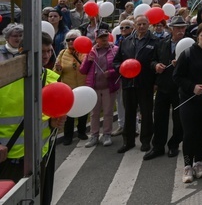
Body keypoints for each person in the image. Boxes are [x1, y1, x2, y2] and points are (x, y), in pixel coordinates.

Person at [0, 32, 65, 205]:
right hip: (8, 161)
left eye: (48, 51)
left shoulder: (53, 79)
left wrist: (54, 123)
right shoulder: (5, 79)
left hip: (40, 158)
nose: (45, 56)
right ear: (22, 51)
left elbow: (50, 117)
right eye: (40, 51)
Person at [173, 22, 202, 183]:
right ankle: (187, 166)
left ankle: (198, 163)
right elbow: (177, 76)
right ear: (197, 37)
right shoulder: (188, 53)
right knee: (189, 133)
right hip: (189, 99)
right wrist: (192, 87)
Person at [113, 14, 159, 154]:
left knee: (146, 113)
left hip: (145, 83)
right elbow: (116, 61)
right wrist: (121, 68)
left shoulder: (156, 41)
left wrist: (155, 81)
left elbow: (157, 61)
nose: (141, 27)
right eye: (138, 24)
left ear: (148, 24)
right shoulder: (126, 41)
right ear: (135, 26)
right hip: (128, 83)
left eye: (144, 24)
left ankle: (145, 141)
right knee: (129, 113)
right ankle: (128, 141)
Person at [147, 16, 188, 160]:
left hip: (179, 89)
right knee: (159, 118)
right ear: (171, 29)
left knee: (178, 120)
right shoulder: (161, 43)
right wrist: (155, 66)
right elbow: (152, 60)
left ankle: (174, 144)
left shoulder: (189, 45)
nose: (181, 31)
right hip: (163, 86)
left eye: (183, 27)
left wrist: (182, 65)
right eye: (178, 28)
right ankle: (158, 146)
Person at [80, 28, 119, 148]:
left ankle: (107, 134)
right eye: (101, 37)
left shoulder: (115, 50)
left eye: (106, 36)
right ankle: (94, 135)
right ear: (96, 39)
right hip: (94, 87)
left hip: (108, 86)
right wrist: (88, 60)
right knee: (94, 113)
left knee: (108, 112)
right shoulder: (90, 51)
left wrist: (111, 72)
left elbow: (119, 67)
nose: (104, 39)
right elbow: (83, 70)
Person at [54, 29, 89, 145]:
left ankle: (81, 132)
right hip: (68, 88)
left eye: (73, 39)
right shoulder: (62, 53)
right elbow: (55, 74)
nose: (70, 41)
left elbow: (89, 68)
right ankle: (68, 135)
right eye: (68, 39)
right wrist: (58, 68)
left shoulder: (85, 52)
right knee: (69, 113)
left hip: (83, 86)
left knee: (83, 111)